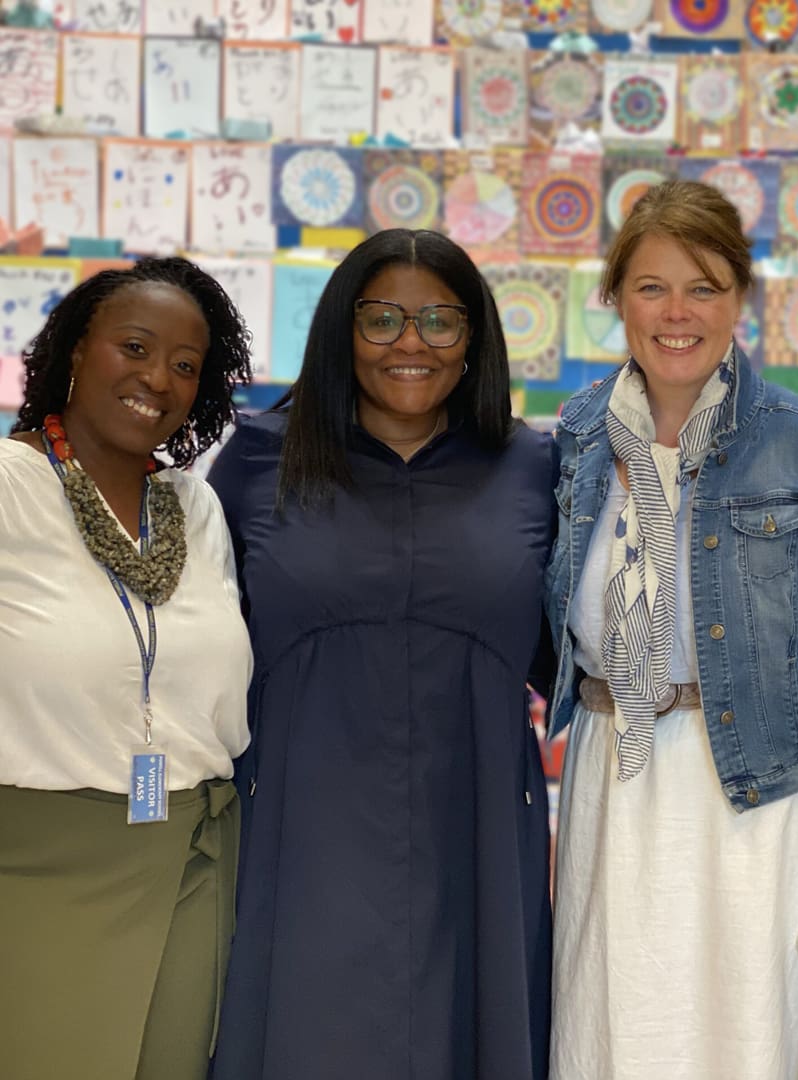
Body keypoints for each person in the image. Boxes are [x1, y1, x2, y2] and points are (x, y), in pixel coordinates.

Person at [207, 228, 556, 1080]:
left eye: (440, 319)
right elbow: (196, 645)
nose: (411, 342)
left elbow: (579, 653)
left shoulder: (536, 466)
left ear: (475, 337)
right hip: (295, 833)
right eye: (383, 318)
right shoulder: (258, 459)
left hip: (476, 827)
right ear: (340, 331)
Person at [543, 178, 798, 1079]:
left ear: (741, 300)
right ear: (613, 299)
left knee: (744, 1030)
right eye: (651, 287)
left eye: (705, 287)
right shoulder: (574, 438)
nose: (676, 313)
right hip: (618, 772)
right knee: (614, 1027)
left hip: (754, 791)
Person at [0, 257, 254, 1080]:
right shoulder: (11, 488)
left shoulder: (195, 507)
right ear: (76, 351)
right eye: (135, 348)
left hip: (196, 859)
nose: (159, 379)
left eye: (187, 366)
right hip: (42, 868)